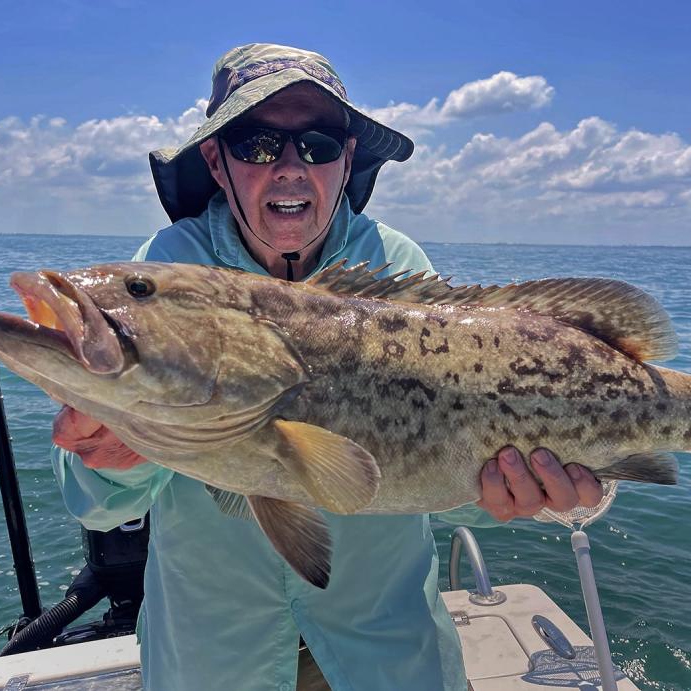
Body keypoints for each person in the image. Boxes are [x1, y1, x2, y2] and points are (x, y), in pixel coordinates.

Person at [51, 43, 603, 691]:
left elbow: (446, 463)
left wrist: (534, 494)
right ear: (216, 161)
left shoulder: (396, 268)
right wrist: (115, 454)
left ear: (347, 162)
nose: (289, 167)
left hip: (384, 648)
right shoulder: (170, 268)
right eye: (256, 143)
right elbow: (94, 504)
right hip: (217, 653)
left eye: (316, 144)